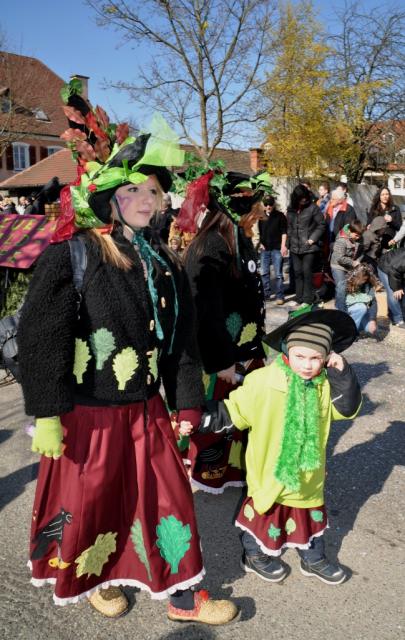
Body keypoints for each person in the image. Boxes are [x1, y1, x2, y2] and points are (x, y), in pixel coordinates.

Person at [17, 82, 238, 625]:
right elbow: (42, 335)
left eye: (154, 192)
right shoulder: (75, 253)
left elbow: (181, 339)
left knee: (169, 501)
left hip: (146, 410)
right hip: (87, 414)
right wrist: (46, 413)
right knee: (94, 504)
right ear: (110, 196)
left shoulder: (161, 261)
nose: (146, 200)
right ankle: (97, 578)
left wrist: (187, 402)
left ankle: (184, 597)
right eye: (134, 190)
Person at [198, 308, 361, 585]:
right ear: (287, 351)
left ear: (326, 357)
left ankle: (313, 558)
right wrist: (198, 416)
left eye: (315, 358)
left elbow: (347, 409)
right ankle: (253, 554)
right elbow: (235, 410)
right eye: (300, 356)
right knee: (264, 517)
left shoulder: (324, 386)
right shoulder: (263, 382)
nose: (307, 365)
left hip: (308, 476)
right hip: (269, 473)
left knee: (308, 516)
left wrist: (342, 374)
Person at [180, 170, 268, 493]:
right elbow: (205, 310)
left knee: (243, 419)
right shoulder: (213, 246)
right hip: (226, 357)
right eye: (255, 209)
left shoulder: (236, 239)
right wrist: (222, 361)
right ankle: (209, 473)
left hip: (244, 348)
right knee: (220, 420)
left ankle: (235, 471)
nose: (260, 215)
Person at [287, 184, 326, 306]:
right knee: (297, 272)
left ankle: (308, 299)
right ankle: (299, 297)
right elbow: (289, 226)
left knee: (306, 271)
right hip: (294, 246)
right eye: (301, 198)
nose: (304, 200)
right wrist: (287, 243)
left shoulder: (313, 208)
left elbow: (322, 224)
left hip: (309, 247)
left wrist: (312, 239)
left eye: (305, 197)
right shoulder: (291, 209)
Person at [258, 195, 288, 304]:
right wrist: (260, 243)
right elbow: (258, 232)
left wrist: (283, 246)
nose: (268, 206)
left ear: (273, 204)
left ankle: (280, 296)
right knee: (264, 273)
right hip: (264, 249)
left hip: (277, 248)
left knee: (278, 274)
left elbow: (284, 232)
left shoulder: (280, 216)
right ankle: (266, 294)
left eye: (270, 204)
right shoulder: (260, 217)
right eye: (266, 204)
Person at [330, 220, 364, 311]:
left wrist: (358, 260)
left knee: (349, 287)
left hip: (350, 265)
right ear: (349, 231)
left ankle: (342, 305)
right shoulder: (341, 240)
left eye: (359, 235)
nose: (358, 237)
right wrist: (353, 262)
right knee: (341, 287)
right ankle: (341, 310)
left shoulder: (359, 237)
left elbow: (361, 252)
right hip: (338, 266)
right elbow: (339, 258)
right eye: (356, 235)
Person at [345, 264, 379, 335]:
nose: (363, 282)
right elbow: (340, 305)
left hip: (358, 310)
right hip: (347, 311)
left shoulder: (367, 284)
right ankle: (349, 332)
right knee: (361, 307)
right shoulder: (345, 283)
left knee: (371, 329)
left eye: (365, 279)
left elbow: (373, 302)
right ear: (356, 277)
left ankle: (356, 326)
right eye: (362, 279)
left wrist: (372, 320)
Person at [377, 247, 405, 328]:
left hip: (397, 269)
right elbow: (393, 270)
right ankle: (398, 320)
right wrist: (396, 288)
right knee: (394, 293)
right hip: (386, 267)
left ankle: (399, 315)